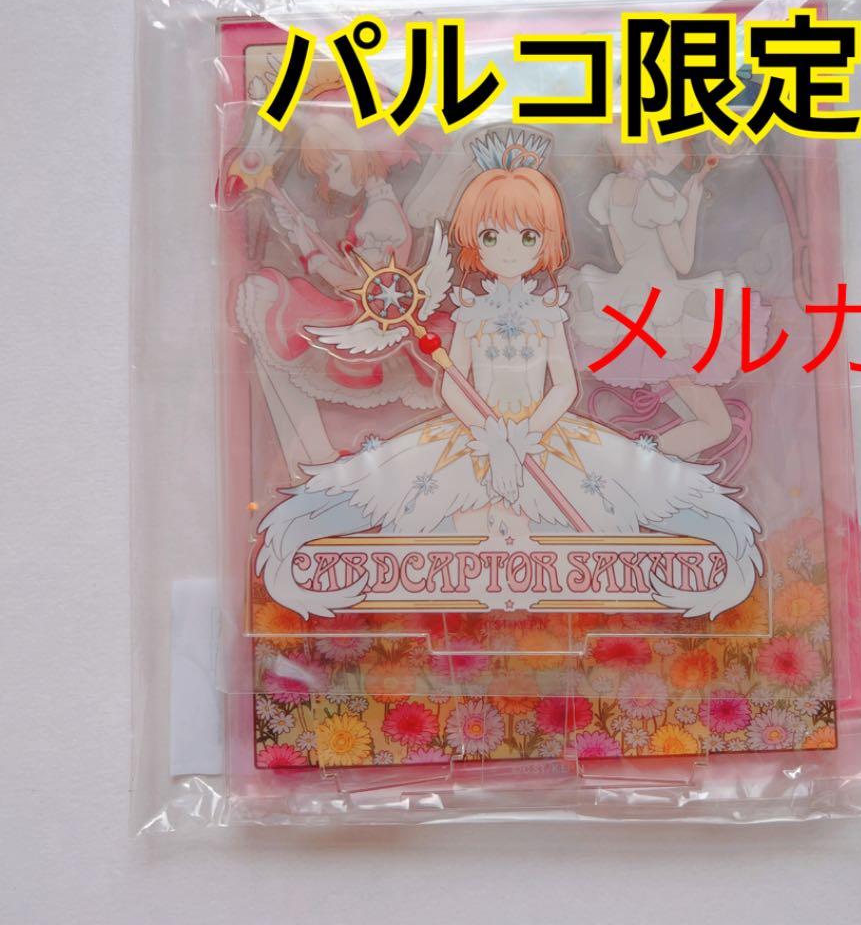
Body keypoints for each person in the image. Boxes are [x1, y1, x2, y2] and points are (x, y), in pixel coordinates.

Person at [255, 130, 764, 620]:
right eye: (491, 236)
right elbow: (454, 380)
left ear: (546, 241)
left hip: (539, 434)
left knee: (582, 514)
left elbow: (564, 386)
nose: (509, 250)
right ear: (474, 240)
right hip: (476, 434)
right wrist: (485, 430)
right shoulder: (470, 312)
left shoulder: (549, 313)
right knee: (440, 514)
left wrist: (528, 433)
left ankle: (554, 583)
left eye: (528, 236)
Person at [226, 113, 439, 474]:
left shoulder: (380, 216)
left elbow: (358, 285)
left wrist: (309, 249)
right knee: (266, 311)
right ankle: (310, 452)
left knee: (267, 302)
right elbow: (354, 270)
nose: (331, 183)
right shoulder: (375, 207)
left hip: (373, 322)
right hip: (365, 313)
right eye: (325, 174)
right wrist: (305, 237)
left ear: (360, 157)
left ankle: (315, 452)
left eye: (335, 168)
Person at [567, 133, 770, 460]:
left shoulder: (610, 188)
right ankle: (634, 465)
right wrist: (689, 209)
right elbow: (683, 262)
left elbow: (622, 256)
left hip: (629, 302)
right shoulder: (655, 192)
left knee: (696, 420)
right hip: (663, 310)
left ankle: (669, 473)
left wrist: (685, 201)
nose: (677, 154)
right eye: (671, 144)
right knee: (717, 426)